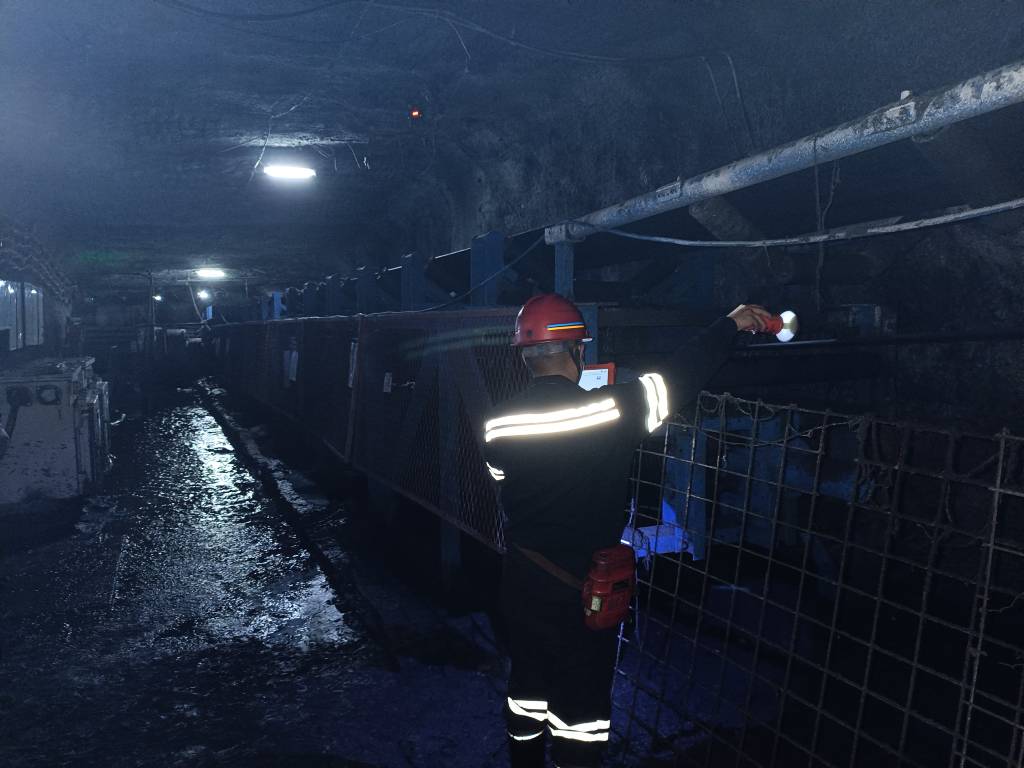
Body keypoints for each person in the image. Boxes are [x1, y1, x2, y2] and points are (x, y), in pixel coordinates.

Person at [483, 294, 771, 768]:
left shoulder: (496, 424)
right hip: (583, 587)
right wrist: (731, 324)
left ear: (525, 355)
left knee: (527, 680)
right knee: (582, 704)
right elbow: (680, 375)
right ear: (577, 350)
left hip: (522, 577)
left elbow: (501, 479)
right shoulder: (612, 411)